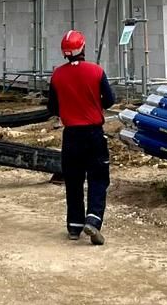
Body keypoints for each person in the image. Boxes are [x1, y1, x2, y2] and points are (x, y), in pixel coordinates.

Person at [46, 29, 115, 244]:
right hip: (93, 133)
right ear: (83, 47)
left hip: (71, 135)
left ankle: (74, 226)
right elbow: (110, 100)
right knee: (98, 178)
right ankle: (93, 221)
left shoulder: (57, 75)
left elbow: (52, 107)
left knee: (74, 180)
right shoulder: (96, 71)